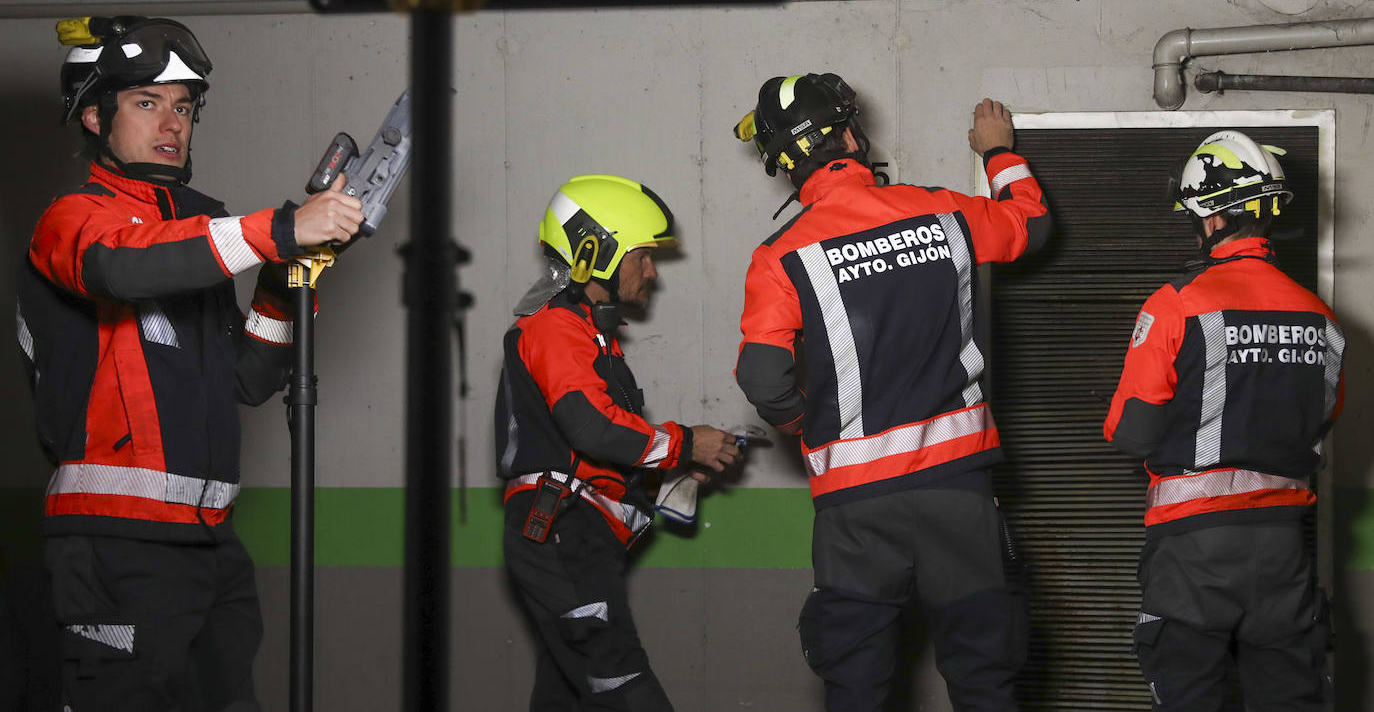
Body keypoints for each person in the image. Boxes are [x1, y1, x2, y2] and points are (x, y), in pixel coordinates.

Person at [16, 15, 365, 711]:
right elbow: (120, 267)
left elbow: (248, 378)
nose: (171, 123)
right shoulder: (72, 219)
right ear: (94, 116)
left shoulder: (193, 236)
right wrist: (278, 230)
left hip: (209, 542)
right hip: (114, 540)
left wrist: (281, 282)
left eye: (183, 106)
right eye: (146, 102)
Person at [731, 74, 1050, 712]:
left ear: (788, 166)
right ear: (852, 138)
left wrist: (802, 425)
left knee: (858, 684)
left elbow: (764, 378)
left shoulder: (780, 256)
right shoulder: (944, 211)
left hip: (856, 507)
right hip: (958, 489)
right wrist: (999, 153)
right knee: (985, 678)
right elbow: (1032, 226)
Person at [1104, 130, 1343, 711]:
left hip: (1193, 552)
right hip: (1284, 552)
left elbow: (1131, 432)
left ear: (1211, 219)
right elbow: (1321, 421)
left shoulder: (1176, 303)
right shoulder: (1322, 317)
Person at [495, 174, 741, 711]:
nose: (652, 271)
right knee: (622, 685)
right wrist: (684, 445)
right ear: (594, 254)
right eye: (642, 256)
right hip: (563, 532)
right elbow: (592, 428)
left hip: (571, 533)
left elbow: (588, 453)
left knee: (566, 694)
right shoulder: (557, 327)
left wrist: (669, 470)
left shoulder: (588, 332)